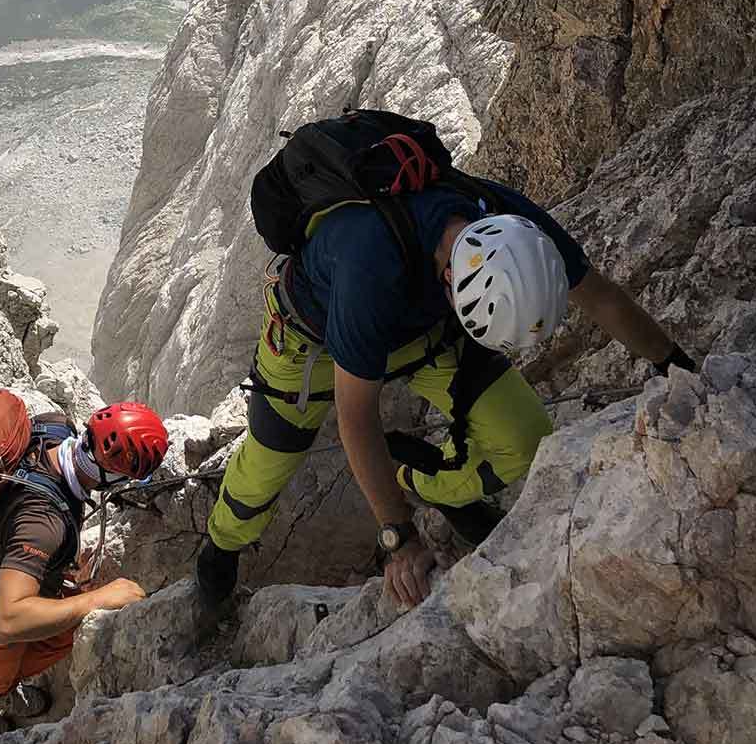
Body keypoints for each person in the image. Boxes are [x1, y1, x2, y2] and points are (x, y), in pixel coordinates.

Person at [196, 175, 695, 614]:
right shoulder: (368, 263)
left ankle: (416, 475)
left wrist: (676, 368)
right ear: (454, 280)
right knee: (269, 459)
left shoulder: (509, 224)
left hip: (425, 326)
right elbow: (355, 417)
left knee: (523, 439)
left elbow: (601, 296)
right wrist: (399, 538)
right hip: (314, 340)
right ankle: (220, 552)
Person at [0, 400, 169, 744]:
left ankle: (4, 683)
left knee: (58, 635)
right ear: (113, 474)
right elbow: (7, 621)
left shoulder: (54, 429)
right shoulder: (43, 523)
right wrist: (98, 598)